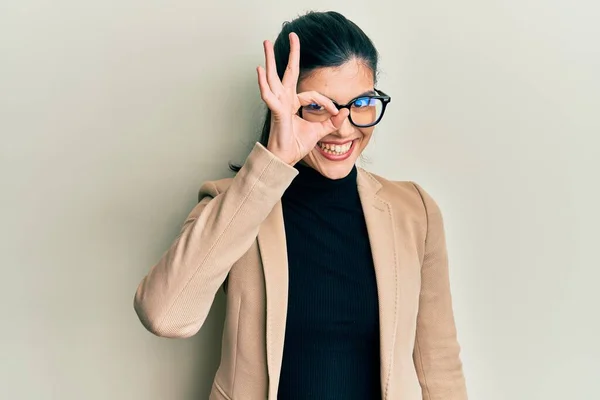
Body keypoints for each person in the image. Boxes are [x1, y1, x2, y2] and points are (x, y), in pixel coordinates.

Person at [134, 10, 468, 400]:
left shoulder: (415, 212)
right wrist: (273, 160)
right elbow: (164, 314)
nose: (342, 127)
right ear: (284, 105)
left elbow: (439, 366)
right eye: (318, 106)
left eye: (361, 102)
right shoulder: (235, 203)